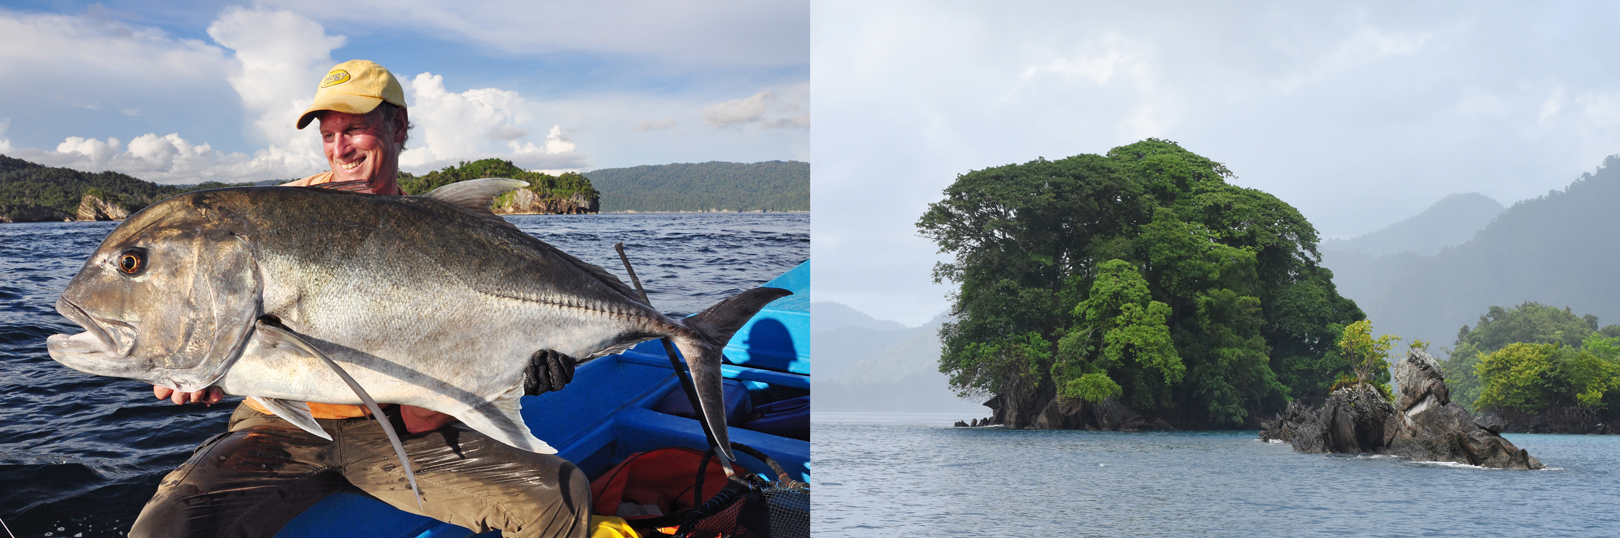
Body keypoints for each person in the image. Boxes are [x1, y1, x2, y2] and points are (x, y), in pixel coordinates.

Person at [130, 60, 590, 538]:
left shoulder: (443, 236)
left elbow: (430, 400)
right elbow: (210, 308)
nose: (340, 148)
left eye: (354, 129)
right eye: (328, 136)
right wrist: (196, 365)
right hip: (278, 427)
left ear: (399, 126)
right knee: (166, 526)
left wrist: (519, 368)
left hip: (396, 426)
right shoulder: (273, 217)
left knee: (560, 496)